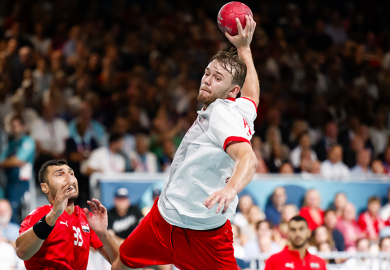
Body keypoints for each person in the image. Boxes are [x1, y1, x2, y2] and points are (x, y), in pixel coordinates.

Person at [85, 16, 259, 270]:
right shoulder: (240, 107)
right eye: (207, 73)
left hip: (205, 234)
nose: (207, 80)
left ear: (231, 91)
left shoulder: (220, 113)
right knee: (121, 264)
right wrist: (244, 48)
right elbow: (252, 94)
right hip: (165, 216)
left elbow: (248, 159)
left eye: (217, 78)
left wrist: (230, 190)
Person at [15, 160, 110, 269]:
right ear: (45, 187)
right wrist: (54, 215)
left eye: (71, 173)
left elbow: (122, 262)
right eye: (59, 174)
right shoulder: (39, 214)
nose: (69, 178)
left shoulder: (87, 218)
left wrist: (104, 234)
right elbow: (21, 251)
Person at [0, 116, 36, 223]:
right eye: (12, 126)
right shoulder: (10, 144)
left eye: (16, 126)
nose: (13, 129)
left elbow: (19, 160)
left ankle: (15, 233)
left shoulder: (28, 141)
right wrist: (12, 161)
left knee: (13, 207)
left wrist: (8, 162)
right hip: (9, 181)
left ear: (23, 126)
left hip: (21, 182)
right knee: (4, 206)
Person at [31, 102, 70, 178]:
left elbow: (66, 141)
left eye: (51, 110)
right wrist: (52, 154)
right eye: (47, 110)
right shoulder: (36, 124)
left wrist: (62, 155)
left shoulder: (61, 123)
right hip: (44, 157)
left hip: (61, 156)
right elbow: (36, 145)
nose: (49, 112)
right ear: (43, 112)